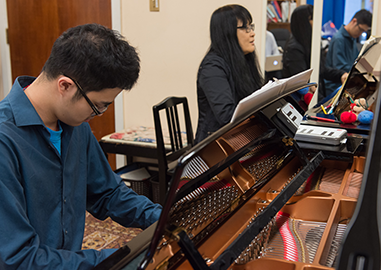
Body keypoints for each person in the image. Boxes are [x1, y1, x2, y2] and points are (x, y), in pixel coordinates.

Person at [0, 23, 162, 269]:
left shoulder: (75, 125)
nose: (99, 113)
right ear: (65, 85)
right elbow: (18, 258)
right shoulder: (5, 140)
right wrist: (123, 259)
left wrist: (163, 217)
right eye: (98, 106)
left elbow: (107, 192)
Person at [194, 4, 263, 144]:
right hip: (214, 148)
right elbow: (227, 116)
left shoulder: (241, 60)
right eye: (245, 28)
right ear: (227, 32)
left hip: (237, 139)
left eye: (251, 27)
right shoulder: (212, 67)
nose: (252, 33)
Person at [282, 5, 348, 101]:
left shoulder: (310, 42)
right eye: (312, 19)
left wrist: (341, 75)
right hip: (301, 102)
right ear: (303, 22)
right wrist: (324, 104)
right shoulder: (294, 48)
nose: (316, 22)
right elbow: (302, 84)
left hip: (316, 97)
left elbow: (321, 70)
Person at [324, 9, 372, 95]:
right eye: (360, 29)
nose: (360, 34)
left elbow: (355, 62)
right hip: (335, 88)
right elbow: (340, 67)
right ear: (354, 21)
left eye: (363, 31)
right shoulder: (339, 39)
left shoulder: (352, 38)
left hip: (346, 84)